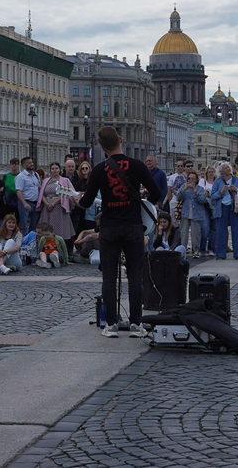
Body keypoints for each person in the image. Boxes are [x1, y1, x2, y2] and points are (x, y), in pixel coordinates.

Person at [78, 126, 162, 338]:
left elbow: (87, 201)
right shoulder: (137, 165)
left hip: (109, 227)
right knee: (135, 275)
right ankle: (136, 324)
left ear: (102, 146)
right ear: (121, 140)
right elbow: (157, 193)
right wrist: (140, 206)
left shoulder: (98, 169)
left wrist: (78, 199)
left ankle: (112, 324)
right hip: (133, 226)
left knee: (109, 276)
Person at [209, 162, 238, 260]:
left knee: (236, 231)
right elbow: (212, 196)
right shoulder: (218, 181)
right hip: (222, 208)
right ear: (221, 171)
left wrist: (236, 189)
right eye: (225, 168)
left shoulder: (236, 179)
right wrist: (221, 192)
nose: (228, 170)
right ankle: (220, 254)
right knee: (221, 231)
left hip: (235, 208)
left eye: (228, 168)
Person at [37, 162, 76, 243]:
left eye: (56, 168)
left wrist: (53, 203)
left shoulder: (65, 180)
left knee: (59, 228)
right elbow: (42, 194)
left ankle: (60, 244)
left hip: (59, 207)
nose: (54, 170)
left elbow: (67, 193)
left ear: (60, 170)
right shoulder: (46, 181)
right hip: (47, 207)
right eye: (52, 169)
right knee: (46, 226)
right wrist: (47, 204)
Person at [15, 157, 42, 236]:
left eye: (32, 162)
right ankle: (25, 245)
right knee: (25, 226)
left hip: (35, 203)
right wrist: (24, 204)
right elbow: (18, 191)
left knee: (34, 226)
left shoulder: (36, 175)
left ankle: (32, 244)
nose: (32, 164)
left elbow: (39, 188)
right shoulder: (21, 176)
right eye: (29, 163)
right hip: (26, 203)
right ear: (24, 165)